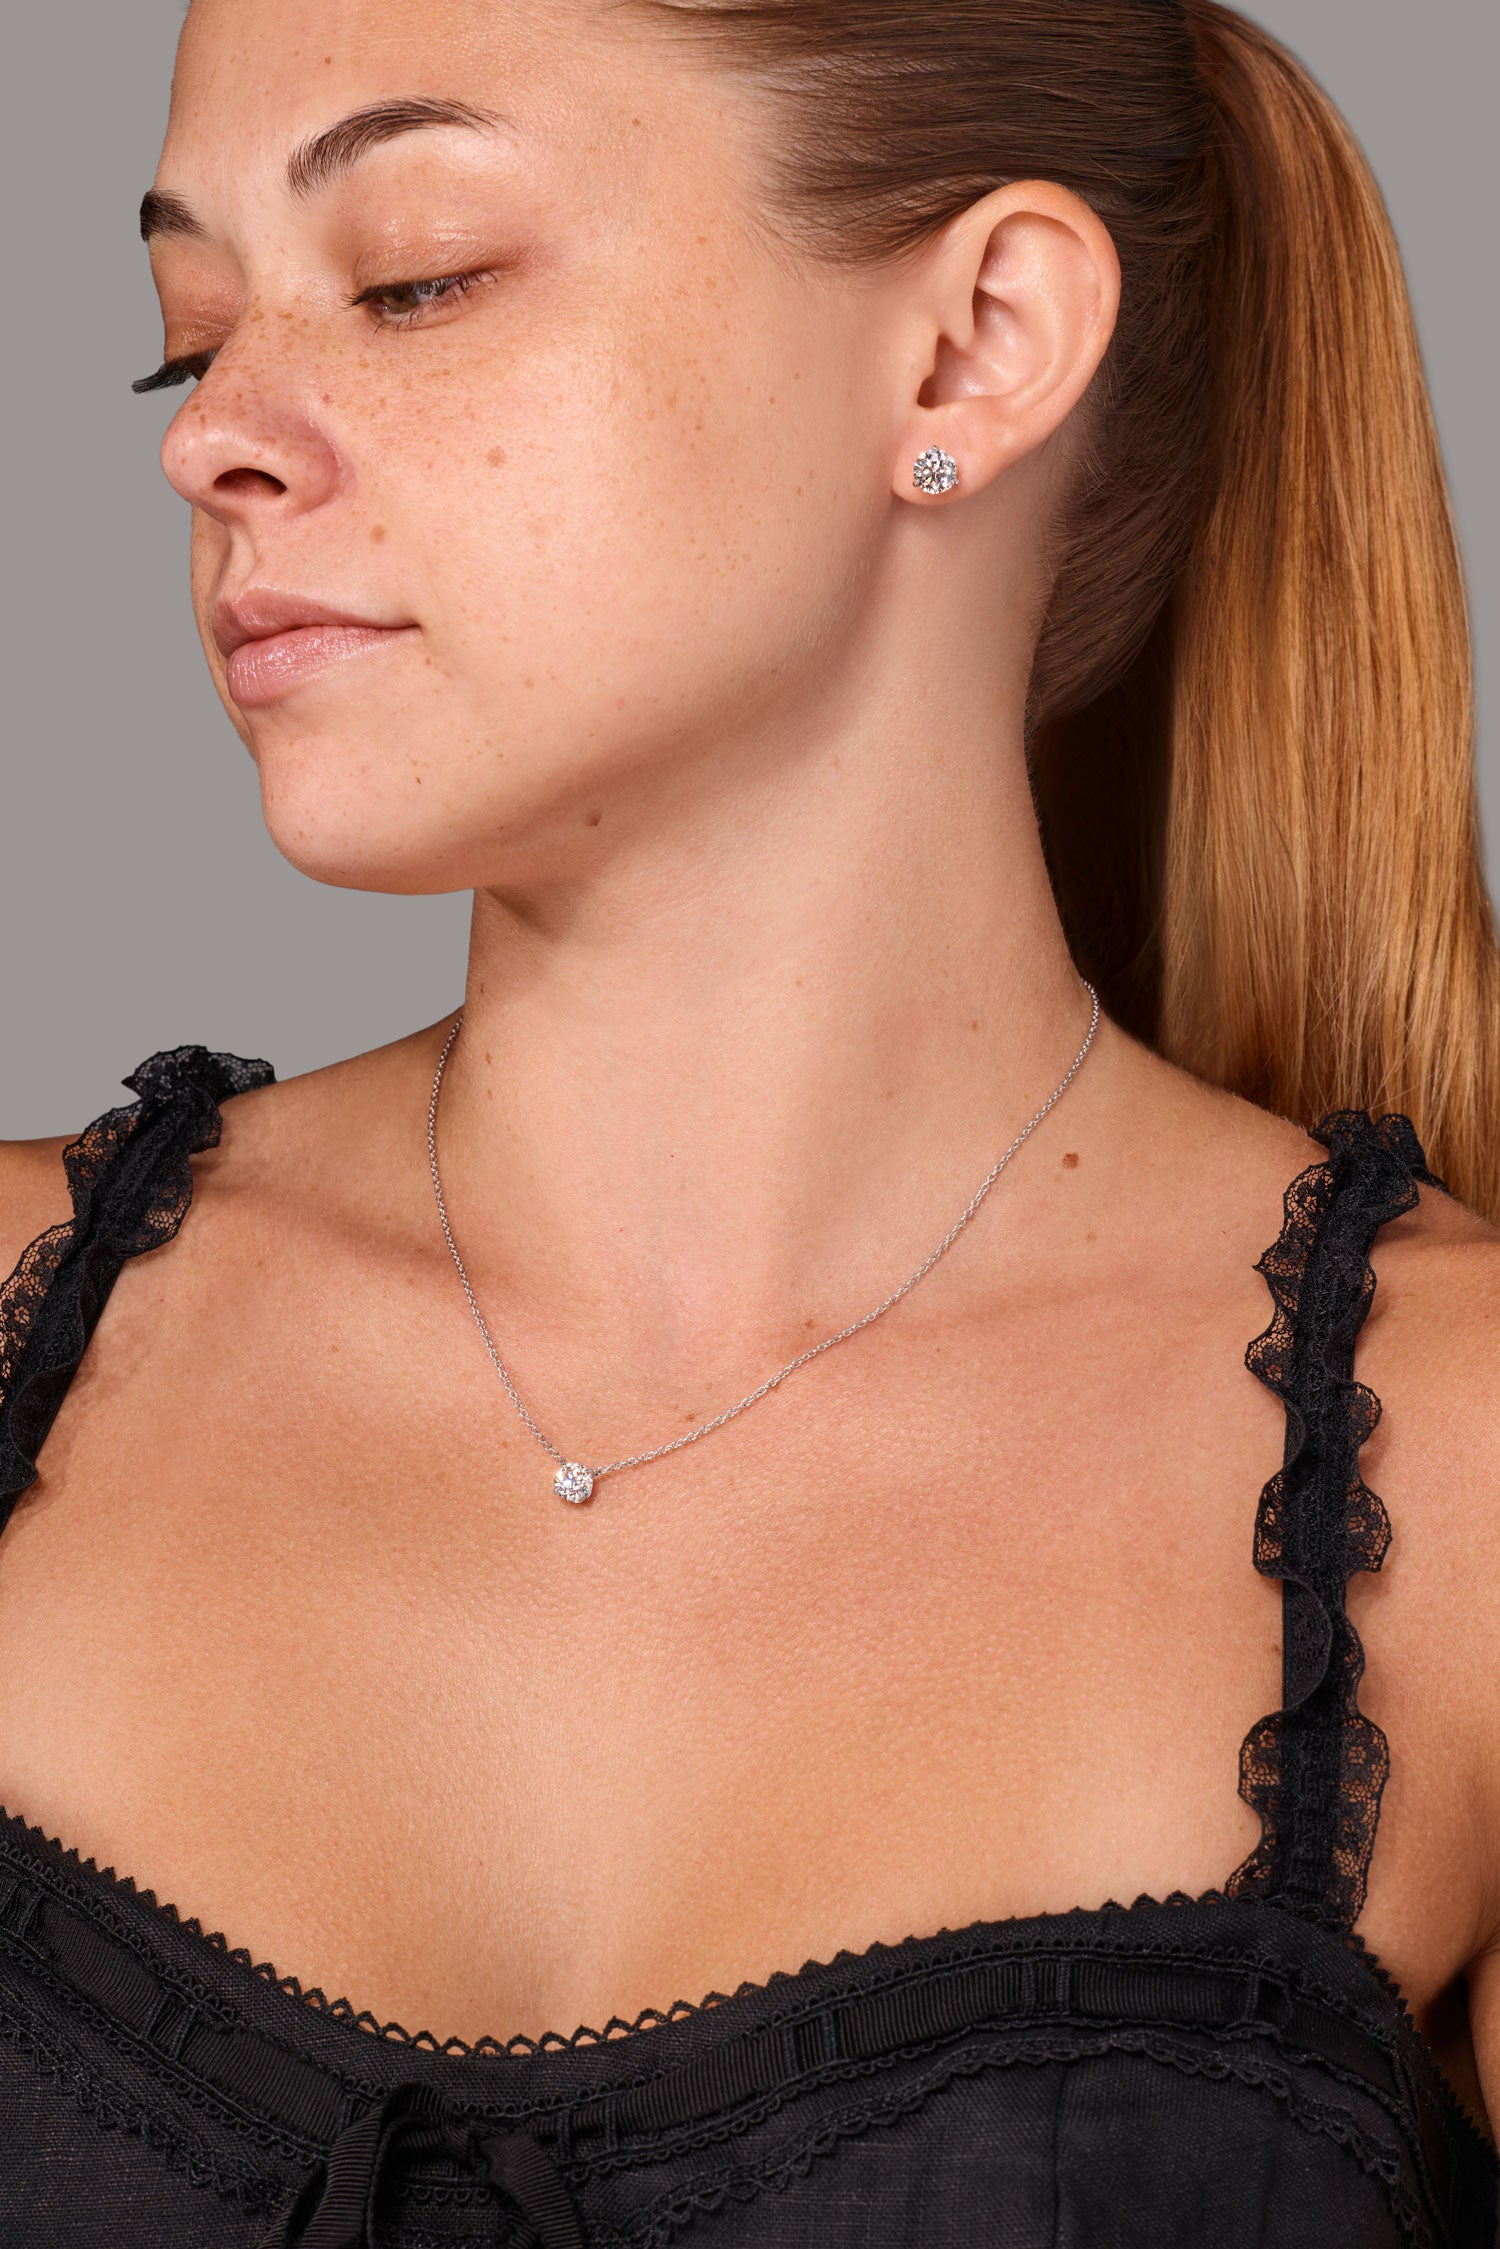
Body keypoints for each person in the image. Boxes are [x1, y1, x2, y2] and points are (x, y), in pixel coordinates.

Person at [0, 0, 1495, 2240]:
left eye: (413, 277)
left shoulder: (1463, 1498)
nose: (211, 434)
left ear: (976, 347)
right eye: (188, 335)